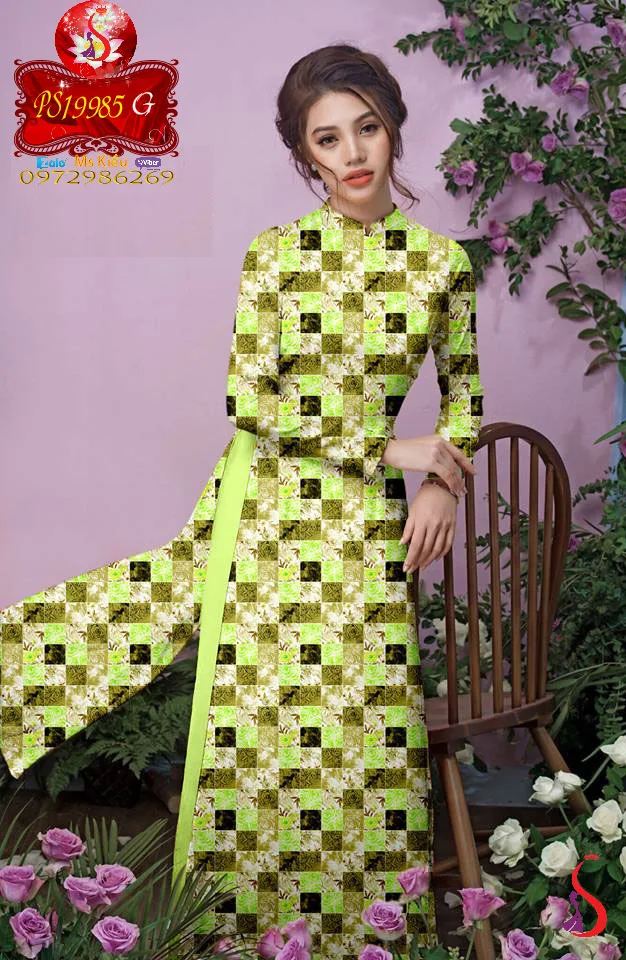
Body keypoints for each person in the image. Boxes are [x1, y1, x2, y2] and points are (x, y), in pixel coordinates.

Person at [0, 43, 484, 960]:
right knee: (257, 735)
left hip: (365, 522)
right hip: (264, 506)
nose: (353, 154)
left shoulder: (441, 265)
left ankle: (367, 940)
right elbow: (250, 401)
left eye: (367, 128)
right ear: (304, 155)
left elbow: (465, 398)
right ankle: (240, 938)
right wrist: (391, 447)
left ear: (393, 127)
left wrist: (440, 482)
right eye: (327, 139)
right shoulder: (276, 254)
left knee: (365, 733)